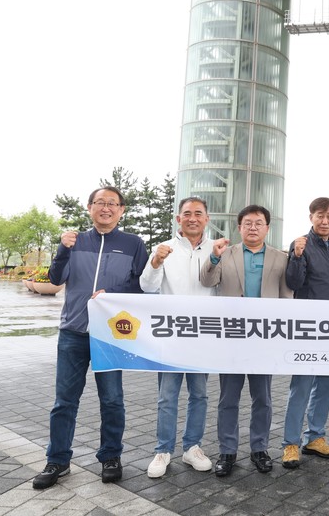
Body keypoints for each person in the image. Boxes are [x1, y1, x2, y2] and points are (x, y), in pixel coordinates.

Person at [32, 186, 148, 489]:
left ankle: (111, 456)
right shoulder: (75, 241)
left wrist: (113, 294)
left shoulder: (133, 244)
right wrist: (62, 249)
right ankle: (57, 460)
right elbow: (56, 278)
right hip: (73, 332)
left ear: (121, 210)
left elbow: (142, 286)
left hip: (110, 335)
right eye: (100, 203)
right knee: (64, 401)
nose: (106, 208)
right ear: (89, 207)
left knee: (112, 400)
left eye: (112, 204)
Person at [200, 205, 293, 475]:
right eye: (248, 223)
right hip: (232, 337)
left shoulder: (280, 258)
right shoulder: (225, 254)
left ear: (267, 228)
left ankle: (259, 449)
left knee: (262, 398)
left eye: (258, 223)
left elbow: (287, 298)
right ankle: (227, 451)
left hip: (264, 339)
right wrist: (213, 258)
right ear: (239, 227)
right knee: (228, 398)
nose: (253, 227)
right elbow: (207, 281)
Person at [140, 197, 215, 478]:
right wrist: (156, 261)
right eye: (187, 213)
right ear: (178, 219)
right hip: (171, 336)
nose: (193, 218)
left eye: (198, 213)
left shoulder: (217, 249)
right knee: (167, 396)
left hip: (203, 336)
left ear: (207, 218)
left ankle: (192, 447)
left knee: (200, 394)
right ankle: (163, 450)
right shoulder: (164, 248)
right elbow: (147, 287)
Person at [282, 197, 329, 469]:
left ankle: (315, 437)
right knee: (302, 386)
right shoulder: (301, 245)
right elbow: (293, 282)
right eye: (320, 215)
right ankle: (290, 443)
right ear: (311, 217)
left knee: (325, 385)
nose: (325, 221)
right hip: (308, 329)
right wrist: (296, 257)